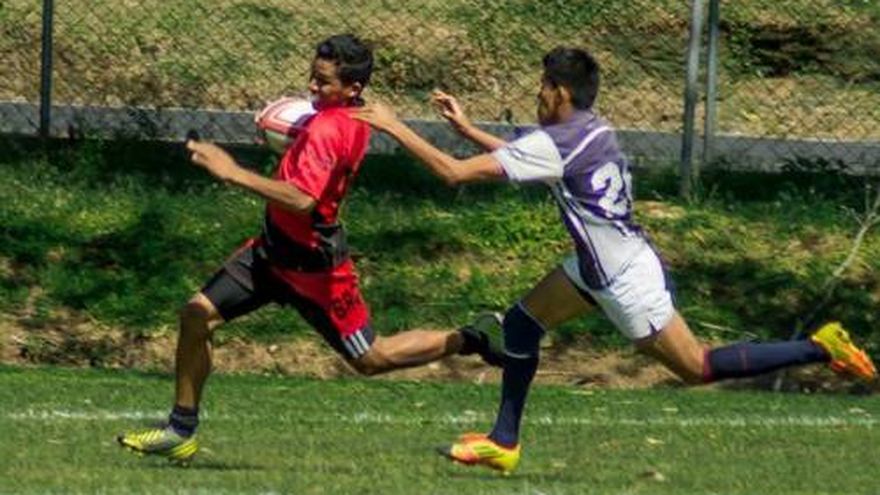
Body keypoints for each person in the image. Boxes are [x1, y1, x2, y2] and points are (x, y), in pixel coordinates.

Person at [353, 46, 877, 474]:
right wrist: (470, 131)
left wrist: (395, 126)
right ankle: (503, 442)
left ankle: (820, 347)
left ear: (559, 92)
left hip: (624, 280)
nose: (538, 96)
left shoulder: (558, 144)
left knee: (697, 367)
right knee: (520, 324)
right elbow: (535, 157)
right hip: (599, 265)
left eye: (541, 88)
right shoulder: (592, 129)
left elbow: (454, 174)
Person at [117, 34, 503, 463]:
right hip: (270, 253)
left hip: (315, 270)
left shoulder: (328, 129)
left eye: (323, 82)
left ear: (352, 88)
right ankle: (180, 430)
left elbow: (302, 199)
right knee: (196, 314)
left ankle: (472, 338)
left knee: (372, 358)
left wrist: (232, 172)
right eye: (312, 77)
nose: (312, 87)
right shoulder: (349, 117)